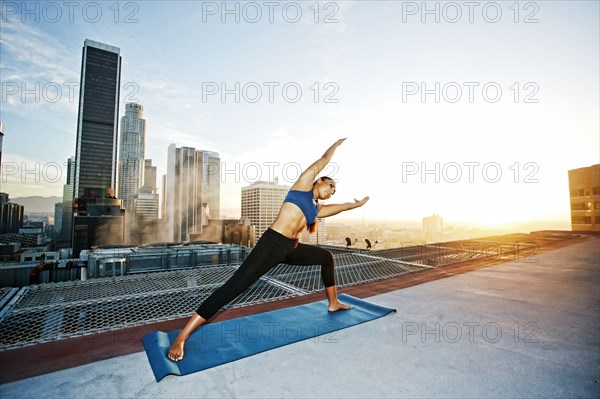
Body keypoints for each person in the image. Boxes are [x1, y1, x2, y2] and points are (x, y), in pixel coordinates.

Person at [168, 138, 369, 361]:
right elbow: (323, 159)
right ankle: (182, 337)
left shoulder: (315, 209)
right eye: (330, 185)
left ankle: (333, 302)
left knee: (326, 257)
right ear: (319, 180)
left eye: (334, 191)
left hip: (291, 248)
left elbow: (339, 208)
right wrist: (336, 146)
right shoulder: (302, 186)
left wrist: (357, 205)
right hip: (271, 245)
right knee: (233, 288)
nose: (331, 191)